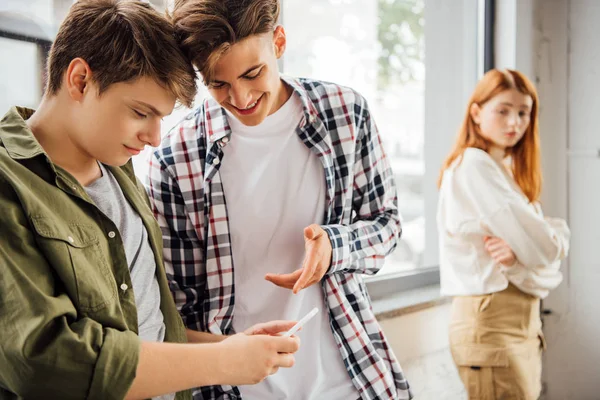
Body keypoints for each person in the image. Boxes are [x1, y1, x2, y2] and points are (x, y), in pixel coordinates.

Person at [0, 1, 300, 399]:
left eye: (162, 117)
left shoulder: (119, 168)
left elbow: (149, 328)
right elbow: (45, 359)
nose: (155, 137)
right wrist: (224, 363)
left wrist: (232, 347)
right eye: (141, 112)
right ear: (80, 79)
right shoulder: (9, 183)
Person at [145, 0, 412, 399]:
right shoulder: (175, 159)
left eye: (253, 73)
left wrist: (334, 248)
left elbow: (386, 224)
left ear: (279, 41)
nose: (241, 97)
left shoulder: (345, 114)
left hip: (350, 375)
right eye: (218, 83)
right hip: (241, 388)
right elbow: (178, 308)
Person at [437, 68, 571, 399]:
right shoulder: (474, 165)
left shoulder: (503, 171)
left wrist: (532, 253)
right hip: (491, 321)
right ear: (476, 111)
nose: (515, 123)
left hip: (518, 323)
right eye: (503, 110)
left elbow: (547, 249)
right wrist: (542, 246)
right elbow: (547, 247)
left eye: (523, 113)